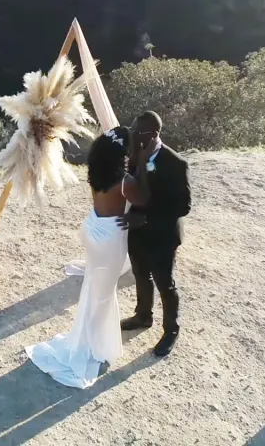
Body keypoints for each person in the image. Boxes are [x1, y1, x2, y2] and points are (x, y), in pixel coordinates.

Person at [25, 126, 134, 388]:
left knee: (93, 290)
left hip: (92, 229)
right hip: (110, 237)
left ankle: (92, 340)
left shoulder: (98, 171)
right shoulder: (127, 182)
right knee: (103, 295)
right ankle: (93, 347)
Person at [117, 111, 192, 357]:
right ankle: (142, 316)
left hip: (162, 235)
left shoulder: (175, 163)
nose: (134, 135)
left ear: (154, 134)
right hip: (138, 231)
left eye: (139, 131)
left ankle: (171, 330)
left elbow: (183, 207)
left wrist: (147, 217)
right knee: (140, 275)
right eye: (133, 129)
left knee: (165, 283)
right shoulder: (135, 153)